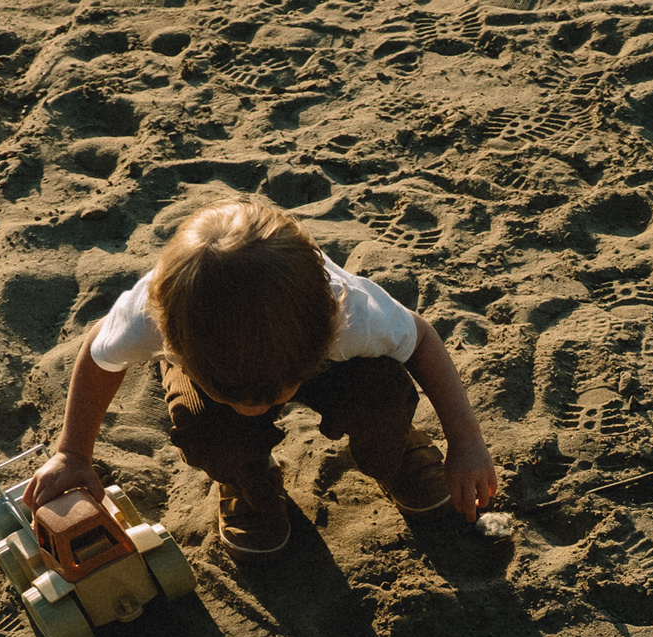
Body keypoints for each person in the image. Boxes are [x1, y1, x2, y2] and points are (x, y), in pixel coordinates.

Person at [25, 199, 498, 554]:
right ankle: (249, 484)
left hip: (307, 352)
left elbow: (421, 340)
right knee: (207, 428)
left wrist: (466, 440)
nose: (253, 407)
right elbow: (100, 355)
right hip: (223, 353)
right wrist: (72, 453)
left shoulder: (352, 315)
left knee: (382, 395)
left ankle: (397, 453)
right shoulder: (150, 319)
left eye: (272, 395)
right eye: (233, 394)